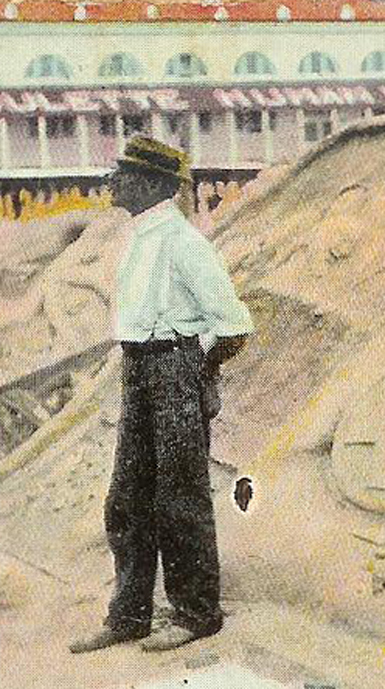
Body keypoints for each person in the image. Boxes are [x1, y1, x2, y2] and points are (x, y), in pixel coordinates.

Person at [70, 136, 253, 654]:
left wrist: (198, 371)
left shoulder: (183, 242)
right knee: (126, 499)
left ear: (153, 185)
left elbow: (235, 325)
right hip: (139, 369)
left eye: (125, 175)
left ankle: (197, 613)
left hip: (174, 367)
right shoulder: (140, 237)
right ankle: (129, 616)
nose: (115, 183)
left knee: (180, 498)